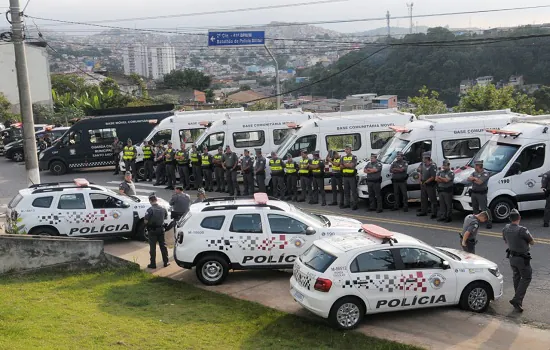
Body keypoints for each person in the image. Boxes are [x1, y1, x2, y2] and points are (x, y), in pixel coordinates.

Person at [503, 209, 535, 312]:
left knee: (516, 277)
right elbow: (532, 241)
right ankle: (517, 299)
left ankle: (518, 301)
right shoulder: (522, 230)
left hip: (512, 258)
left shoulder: (505, 228)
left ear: (509, 218)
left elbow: (505, 240)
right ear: (519, 218)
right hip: (522, 259)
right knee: (526, 277)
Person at [144, 194, 169, 269]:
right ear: (156, 200)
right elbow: (166, 217)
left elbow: (145, 221)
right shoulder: (163, 208)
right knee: (163, 246)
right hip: (161, 229)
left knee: (152, 247)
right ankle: (166, 262)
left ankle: (153, 264)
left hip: (152, 230)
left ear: (150, 201)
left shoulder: (150, 210)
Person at [468, 160, 492, 229]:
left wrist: (474, 179)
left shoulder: (485, 173)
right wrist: (475, 179)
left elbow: (480, 182)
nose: (475, 167)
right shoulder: (474, 173)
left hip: (481, 193)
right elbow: (468, 178)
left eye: (475, 165)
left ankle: (489, 221)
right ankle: (476, 221)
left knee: (484, 208)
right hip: (474, 193)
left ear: (479, 166)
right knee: (475, 208)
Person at [417, 152, 438, 218]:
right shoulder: (423, 164)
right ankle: (423, 211)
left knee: (432, 199)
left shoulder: (432, 165)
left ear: (427, 158)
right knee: (423, 198)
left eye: (423, 158)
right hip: (423, 183)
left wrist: (426, 182)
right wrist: (420, 180)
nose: (422, 159)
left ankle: (434, 213)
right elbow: (420, 172)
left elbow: (433, 177)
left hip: (430, 184)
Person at [341, 145, 358, 210]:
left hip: (351, 177)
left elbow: (351, 165)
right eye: (345, 149)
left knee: (353, 191)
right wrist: (347, 164)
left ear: (350, 150)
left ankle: (355, 204)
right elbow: (341, 166)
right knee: (346, 191)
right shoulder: (343, 157)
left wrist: (345, 164)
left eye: (347, 149)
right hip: (345, 177)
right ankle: (347, 204)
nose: (346, 150)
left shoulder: (354, 157)